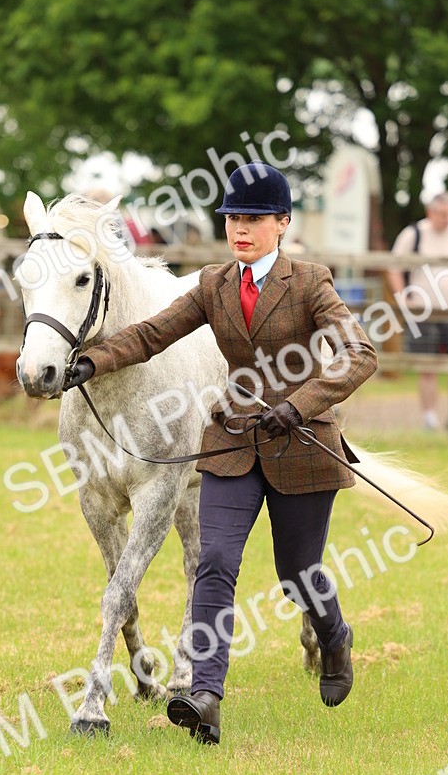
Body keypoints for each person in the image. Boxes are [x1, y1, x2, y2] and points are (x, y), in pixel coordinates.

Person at [63, 163, 378, 745]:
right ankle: (205, 693)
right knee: (214, 563)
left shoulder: (311, 282)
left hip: (301, 445)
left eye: (254, 219)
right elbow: (150, 335)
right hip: (233, 442)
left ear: (282, 223)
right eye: (233, 217)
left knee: (297, 575)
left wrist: (299, 406)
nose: (241, 229)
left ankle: (334, 638)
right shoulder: (212, 284)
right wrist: (91, 362)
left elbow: (359, 353)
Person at [388, 192, 448, 430]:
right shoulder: (414, 234)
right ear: (430, 212)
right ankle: (430, 417)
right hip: (422, 311)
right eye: (442, 214)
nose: (447, 219)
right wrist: (402, 298)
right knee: (427, 366)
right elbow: (393, 267)